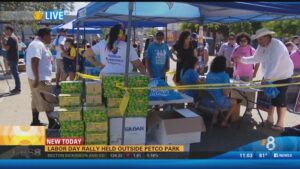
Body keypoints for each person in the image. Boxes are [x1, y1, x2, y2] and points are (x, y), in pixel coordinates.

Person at [233, 28, 294, 131]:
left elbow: (274, 64)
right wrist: (241, 60)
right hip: (270, 76)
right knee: (271, 98)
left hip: (283, 76)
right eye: (257, 39)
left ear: (267, 37)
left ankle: (280, 123)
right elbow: (255, 58)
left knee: (280, 99)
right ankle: (270, 120)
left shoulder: (277, 45)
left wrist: (266, 79)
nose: (258, 41)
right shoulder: (261, 46)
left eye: (260, 39)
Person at [26, 27, 59, 129]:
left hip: (39, 78)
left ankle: (35, 120)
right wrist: (36, 78)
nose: (51, 38)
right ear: (44, 36)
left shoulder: (41, 44)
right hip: (41, 79)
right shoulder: (37, 44)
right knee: (48, 100)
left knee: (36, 99)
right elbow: (34, 61)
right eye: (50, 35)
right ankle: (52, 123)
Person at [205, 56, 240, 127]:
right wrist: (231, 87)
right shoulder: (224, 76)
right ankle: (224, 121)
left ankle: (215, 119)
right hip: (217, 102)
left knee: (221, 98)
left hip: (207, 101)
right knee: (235, 101)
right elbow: (225, 94)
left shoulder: (209, 74)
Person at [1, 25, 21, 94]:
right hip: (13, 58)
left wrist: (3, 40)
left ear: (9, 30)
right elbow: (9, 44)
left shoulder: (11, 38)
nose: (4, 31)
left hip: (13, 58)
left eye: (5, 30)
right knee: (15, 73)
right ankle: (17, 88)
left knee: (15, 74)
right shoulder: (13, 37)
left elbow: (6, 48)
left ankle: (18, 89)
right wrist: (5, 39)